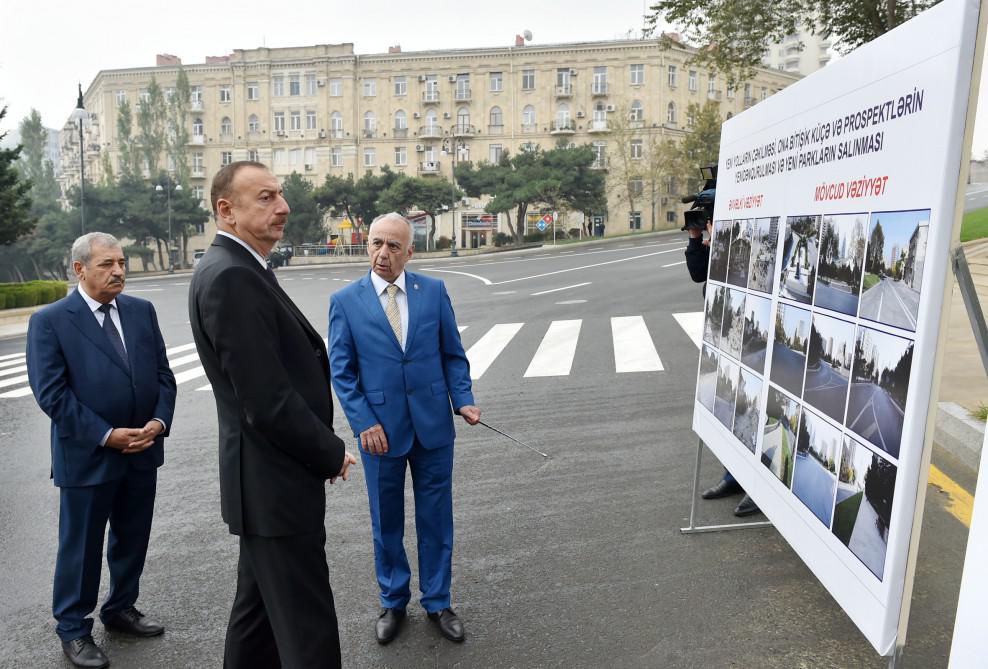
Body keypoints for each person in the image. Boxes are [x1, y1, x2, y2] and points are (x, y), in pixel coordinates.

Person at [188, 161, 356, 668]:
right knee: (307, 629)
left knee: (257, 620)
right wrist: (329, 452)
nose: (282, 206)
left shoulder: (239, 267)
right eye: (264, 197)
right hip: (275, 483)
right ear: (227, 210)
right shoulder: (232, 276)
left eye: (280, 195)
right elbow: (266, 400)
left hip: (264, 485)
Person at [26, 232, 177, 668]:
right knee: (81, 546)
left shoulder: (141, 312)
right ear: (80, 270)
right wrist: (106, 434)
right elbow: (52, 395)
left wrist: (158, 422)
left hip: (142, 449)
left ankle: (120, 608)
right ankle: (73, 629)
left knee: (133, 536)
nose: (118, 271)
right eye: (107, 264)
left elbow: (164, 375)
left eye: (122, 263)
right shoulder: (51, 320)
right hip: (89, 455)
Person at [329, 212, 480, 645]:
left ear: (410, 252)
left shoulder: (432, 291)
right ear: (367, 244)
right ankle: (393, 600)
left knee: (436, 518)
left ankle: (438, 601)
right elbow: (342, 372)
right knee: (386, 519)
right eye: (376, 243)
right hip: (380, 431)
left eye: (394, 246)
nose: (383, 253)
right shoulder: (346, 300)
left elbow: (452, 353)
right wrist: (364, 422)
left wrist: (463, 397)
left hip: (433, 424)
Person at [686, 222, 759, 518]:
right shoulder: (720, 227)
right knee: (731, 406)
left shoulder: (752, 226)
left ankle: (760, 486)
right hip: (726, 326)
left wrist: (724, 242)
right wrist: (696, 241)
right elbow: (699, 275)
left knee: (755, 406)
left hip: (754, 327)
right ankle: (734, 476)